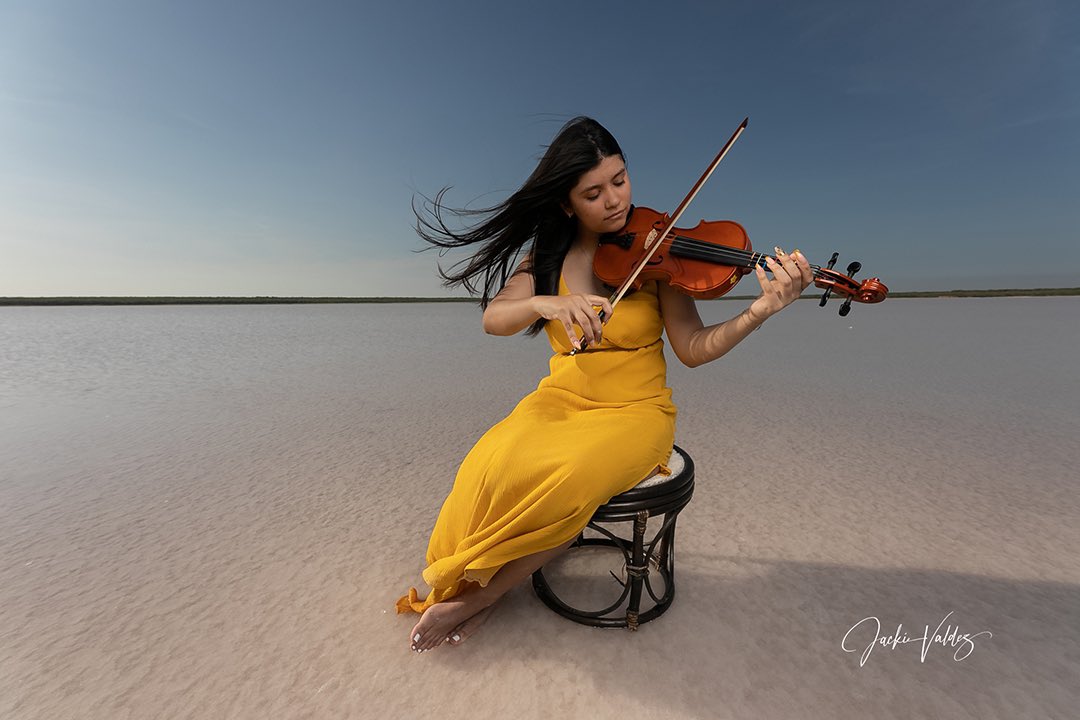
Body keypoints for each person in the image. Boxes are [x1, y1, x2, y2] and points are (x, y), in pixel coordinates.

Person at [396, 117, 811, 653]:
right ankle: (472, 580)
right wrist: (547, 301)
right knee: (491, 463)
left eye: (620, 180)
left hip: (636, 413)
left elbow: (693, 350)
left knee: (571, 475)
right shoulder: (546, 259)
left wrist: (759, 311)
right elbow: (493, 319)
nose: (615, 200)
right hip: (561, 402)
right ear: (568, 204)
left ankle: (480, 597)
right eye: (594, 192)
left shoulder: (658, 252)